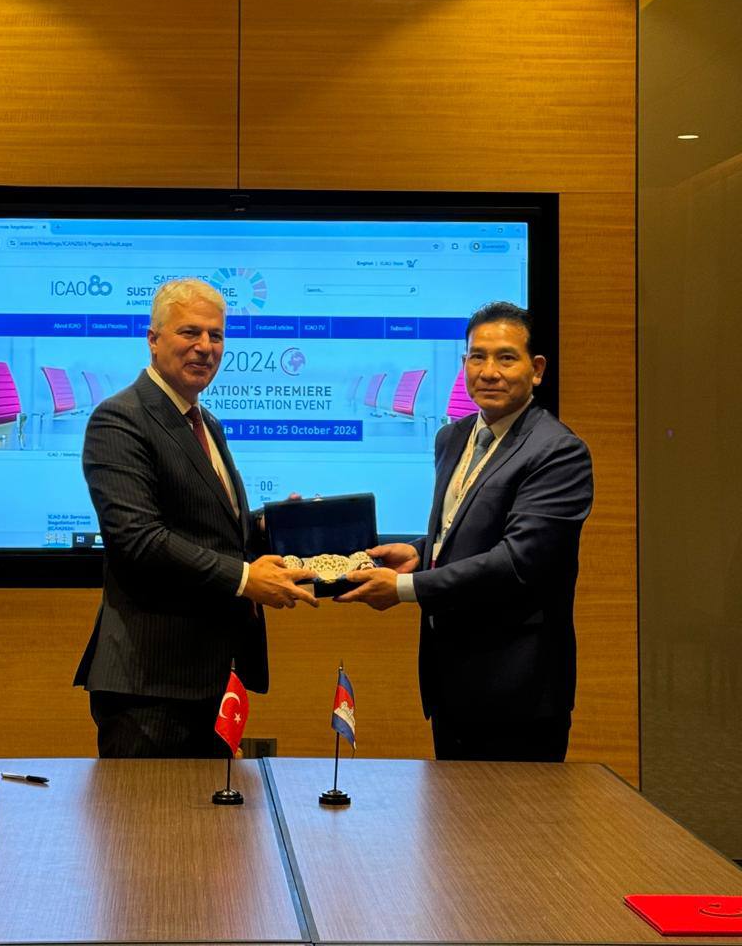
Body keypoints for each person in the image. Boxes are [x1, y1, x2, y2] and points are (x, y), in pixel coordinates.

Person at [337, 301, 593, 762]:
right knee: (451, 809)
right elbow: (464, 529)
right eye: (478, 357)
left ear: (536, 370)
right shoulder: (452, 438)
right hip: (450, 683)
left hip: (518, 692)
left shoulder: (558, 452)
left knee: (516, 813)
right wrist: (420, 551)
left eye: (506, 358)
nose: (489, 371)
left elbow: (518, 562)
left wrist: (405, 587)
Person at [74, 277, 317, 757]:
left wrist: (264, 525)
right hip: (150, 686)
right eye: (190, 332)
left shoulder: (206, 422)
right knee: (149, 810)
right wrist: (245, 578)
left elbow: (205, 525)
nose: (205, 346)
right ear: (153, 339)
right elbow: (139, 540)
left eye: (216, 335)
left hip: (210, 677)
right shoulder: (119, 418)